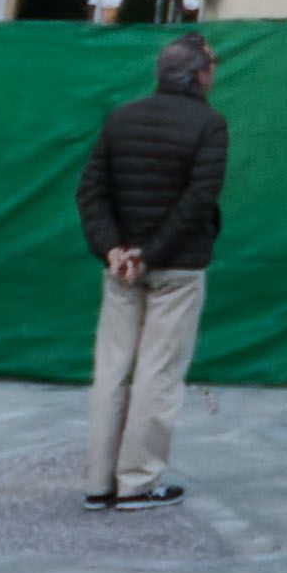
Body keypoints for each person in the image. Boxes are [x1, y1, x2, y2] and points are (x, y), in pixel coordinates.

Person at [76, 31, 228, 508]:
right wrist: (153, 252)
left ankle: (99, 484)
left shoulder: (121, 118)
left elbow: (90, 192)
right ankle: (139, 482)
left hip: (120, 269)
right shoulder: (209, 125)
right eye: (211, 66)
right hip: (177, 269)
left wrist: (113, 250)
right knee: (157, 376)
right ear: (198, 75)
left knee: (112, 373)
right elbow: (199, 200)